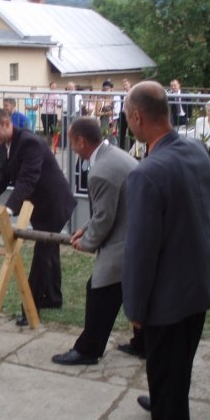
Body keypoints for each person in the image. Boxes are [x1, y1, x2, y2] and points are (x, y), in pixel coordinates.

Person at [122, 81, 210, 420]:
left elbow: (140, 251)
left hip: (167, 296)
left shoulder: (147, 173)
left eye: (127, 117)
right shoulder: (196, 151)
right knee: (177, 367)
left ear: (137, 117)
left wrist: (135, 307)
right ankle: (165, 402)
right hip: (196, 283)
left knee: (165, 368)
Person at [51, 117, 137, 366]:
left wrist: (86, 242)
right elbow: (108, 209)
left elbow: (105, 218)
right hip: (137, 233)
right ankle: (143, 342)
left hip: (125, 240)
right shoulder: (113, 155)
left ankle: (88, 350)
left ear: (81, 140)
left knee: (99, 290)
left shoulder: (100, 172)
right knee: (134, 289)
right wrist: (84, 230)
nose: (72, 148)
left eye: (72, 142)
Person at [0, 107, 76, 325]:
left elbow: (27, 180)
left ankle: (30, 308)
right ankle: (53, 298)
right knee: (49, 251)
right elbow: (4, 174)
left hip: (54, 204)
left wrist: (8, 212)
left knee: (42, 255)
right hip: (39, 206)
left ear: (7, 124)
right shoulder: (5, 143)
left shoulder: (30, 143)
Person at [118, 78, 131, 150]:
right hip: (123, 114)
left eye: (126, 84)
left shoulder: (133, 93)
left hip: (130, 114)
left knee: (131, 132)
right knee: (121, 133)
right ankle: (121, 148)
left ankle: (132, 148)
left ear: (129, 84)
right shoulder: (122, 94)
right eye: (124, 85)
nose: (125, 86)